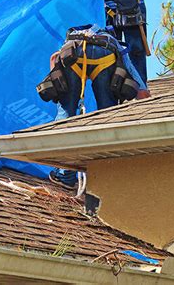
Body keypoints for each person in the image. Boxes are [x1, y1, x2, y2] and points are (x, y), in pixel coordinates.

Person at [36, 24, 150, 190]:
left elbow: (55, 60)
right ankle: (108, 173)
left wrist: (60, 91)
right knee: (108, 115)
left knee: (66, 114)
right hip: (106, 55)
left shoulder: (72, 36)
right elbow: (128, 65)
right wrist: (141, 89)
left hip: (73, 53)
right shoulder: (112, 40)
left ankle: (65, 176)